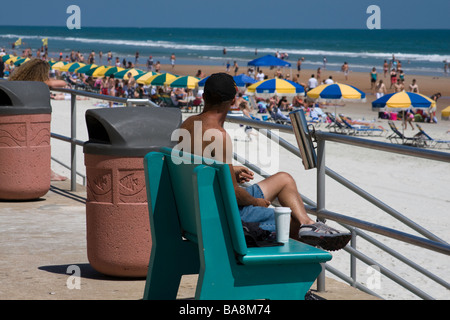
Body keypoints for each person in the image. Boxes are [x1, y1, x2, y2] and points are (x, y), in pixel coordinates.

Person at [177, 73, 351, 251]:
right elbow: (234, 194)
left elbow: (197, 167)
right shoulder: (218, 135)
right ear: (233, 101)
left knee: (284, 179)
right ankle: (289, 265)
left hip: (199, 209)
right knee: (290, 223)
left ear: (204, 96)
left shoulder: (187, 125)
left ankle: (308, 222)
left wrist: (230, 170)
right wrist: (255, 201)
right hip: (224, 215)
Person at [8, 59, 68, 181]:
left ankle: (49, 172)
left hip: (14, 120)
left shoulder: (16, 82)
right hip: (31, 120)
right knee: (40, 142)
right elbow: (61, 83)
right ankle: (49, 173)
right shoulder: (41, 84)